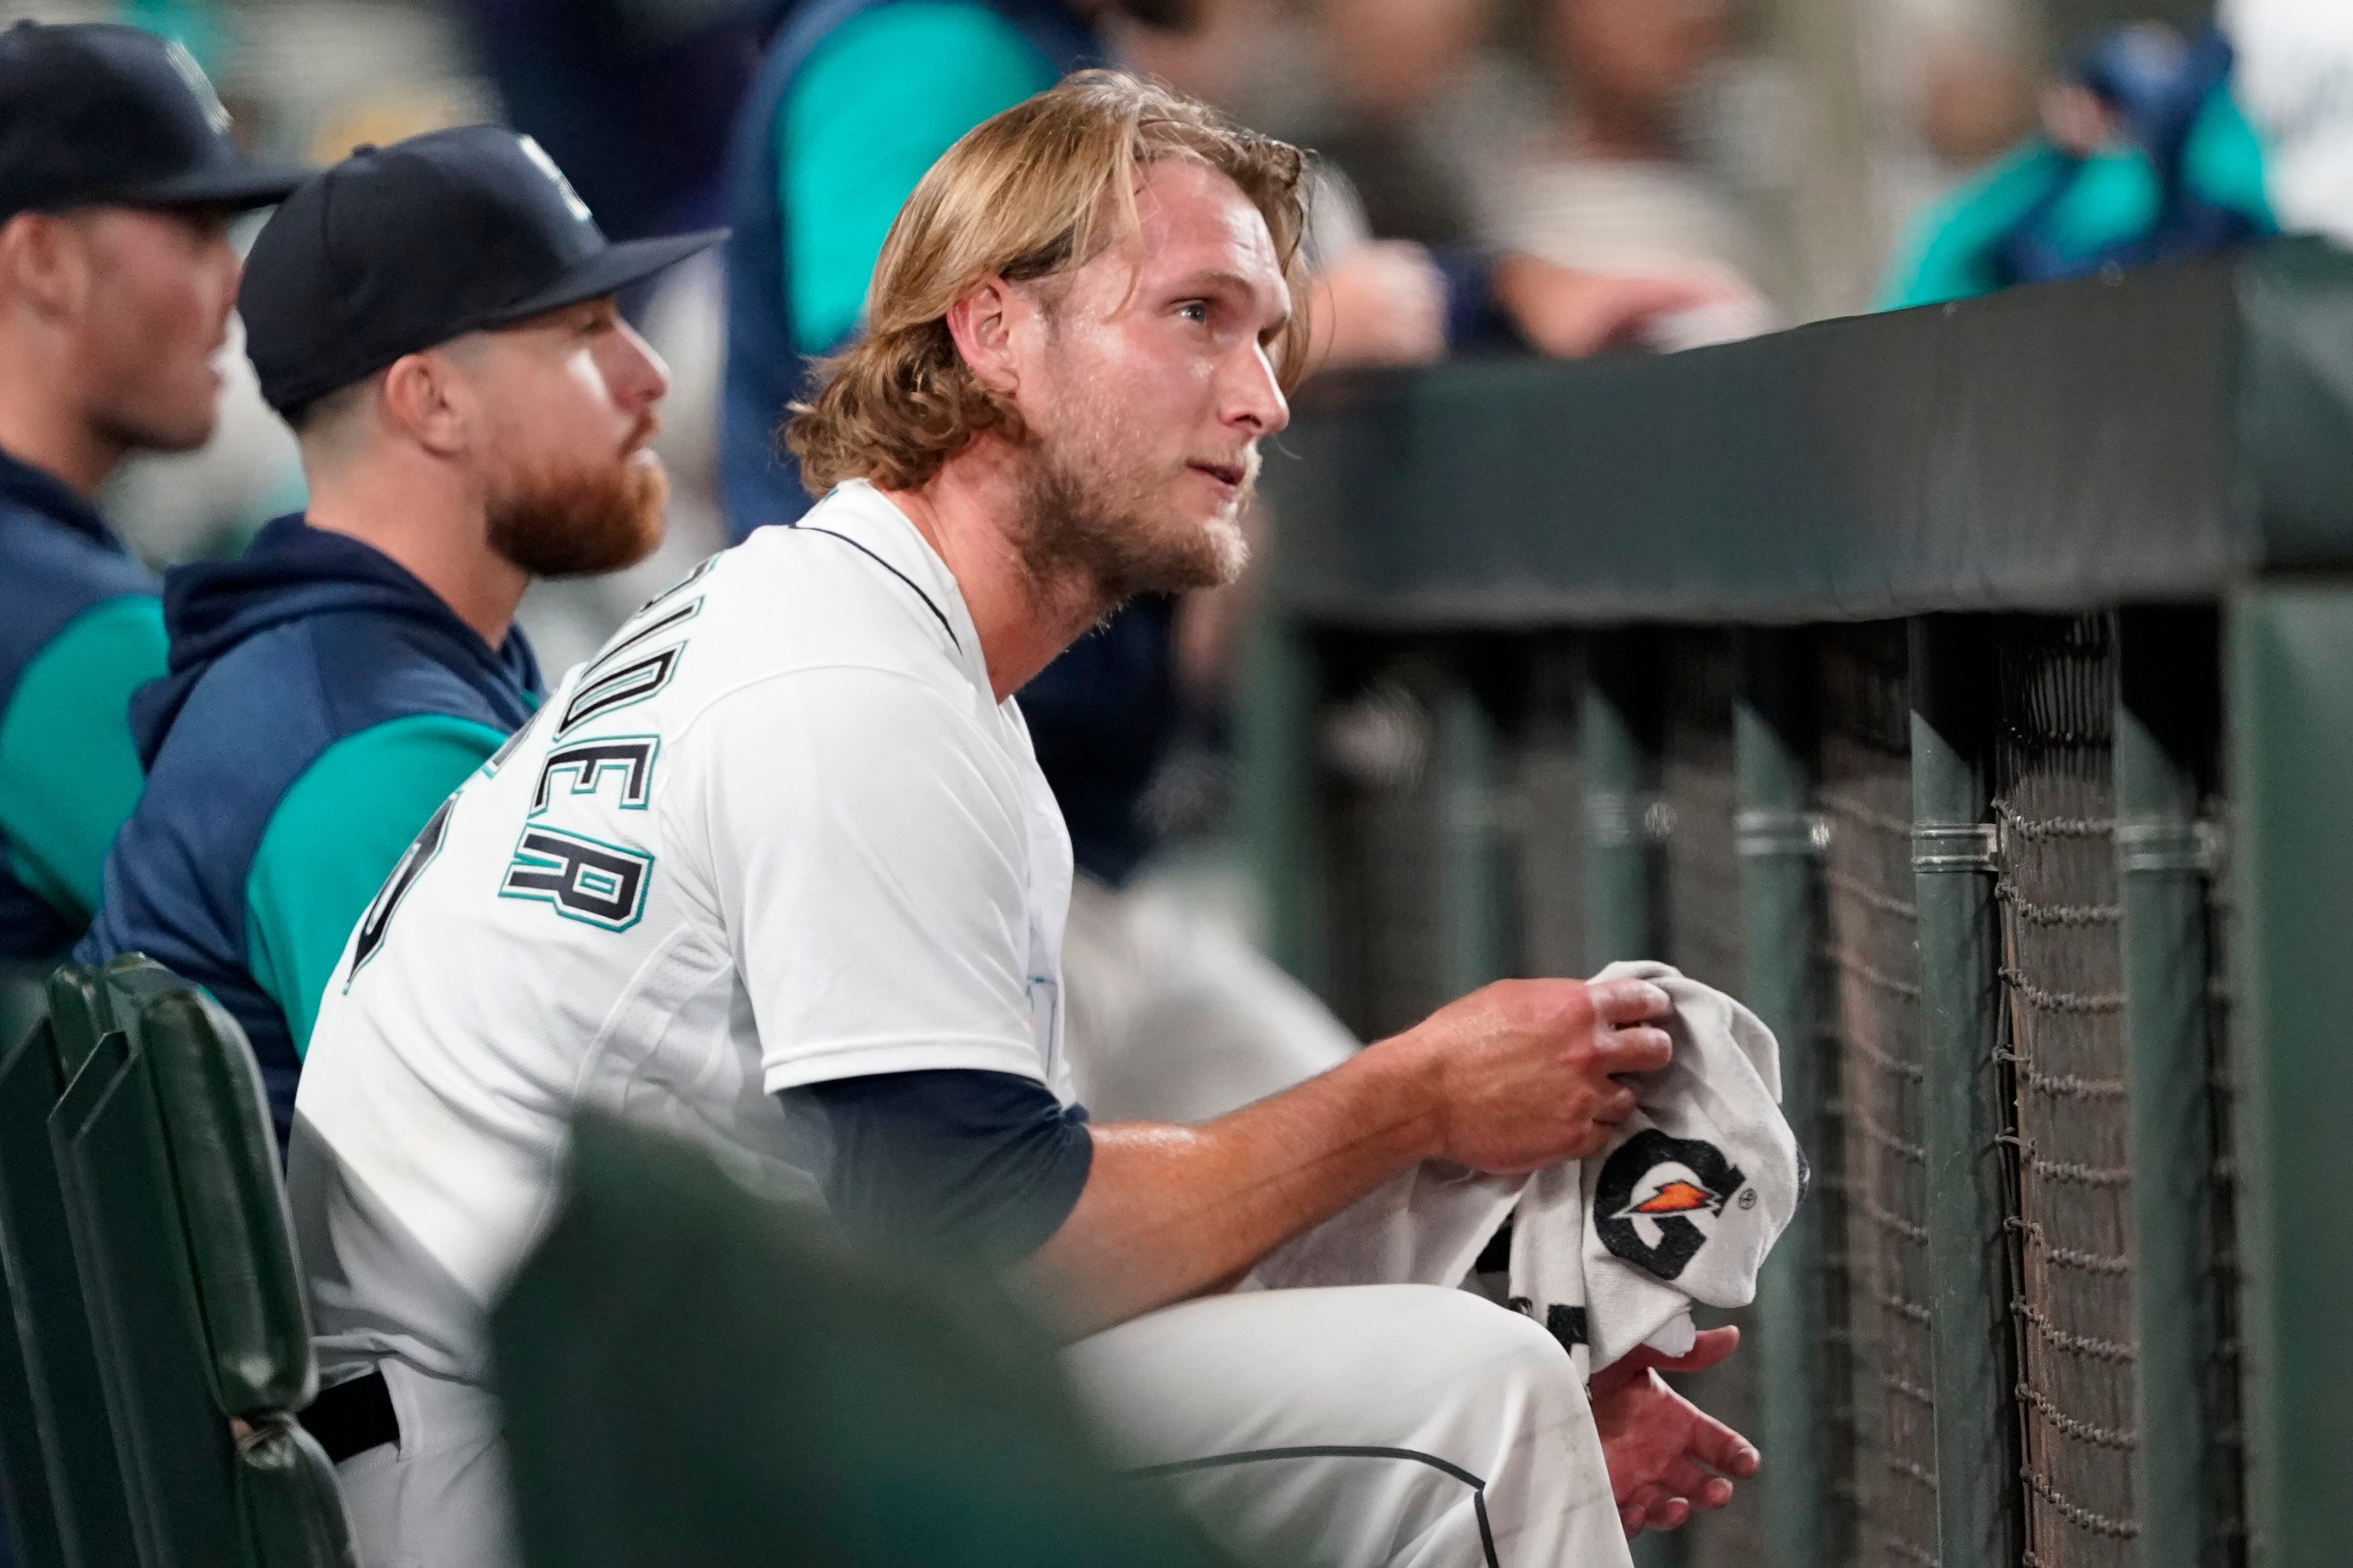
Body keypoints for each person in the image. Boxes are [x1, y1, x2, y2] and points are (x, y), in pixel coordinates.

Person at [291, 73, 1758, 1568]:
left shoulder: (865, 635)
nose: (1257, 396)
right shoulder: (855, 682)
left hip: (565, 1413)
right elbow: (992, 1243)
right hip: (531, 1478)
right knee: (1474, 1402)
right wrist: (1416, 1096)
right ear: (993, 335)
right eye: (1193, 314)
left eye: (1264, 336)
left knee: (1453, 1370)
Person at [76, 127, 715, 1144]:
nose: (649, 376)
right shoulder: (367, 750)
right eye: (586, 331)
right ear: (433, 402)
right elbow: (552, 1197)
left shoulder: (369, 666)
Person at [0, 21, 303, 964]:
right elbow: (349, 993)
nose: (237, 280)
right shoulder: (68, 630)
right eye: (198, 232)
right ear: (42, 261)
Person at [1877, 22, 2273, 310]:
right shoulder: (1965, 235)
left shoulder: (2105, 91)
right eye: (1950, 100)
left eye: (1966, 77)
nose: (1977, 95)